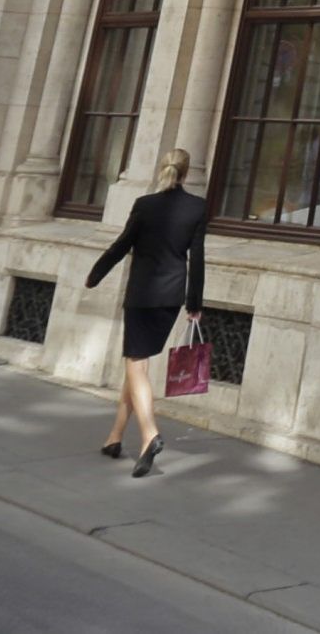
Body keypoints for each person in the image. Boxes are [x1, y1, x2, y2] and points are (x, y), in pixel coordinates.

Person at [85, 147, 208, 477]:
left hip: (142, 293)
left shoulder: (145, 205)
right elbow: (197, 258)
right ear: (186, 172)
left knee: (136, 364)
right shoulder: (197, 207)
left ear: (162, 169)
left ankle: (149, 434)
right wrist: (194, 304)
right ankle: (114, 438)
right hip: (170, 297)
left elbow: (122, 244)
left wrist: (95, 274)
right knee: (135, 362)